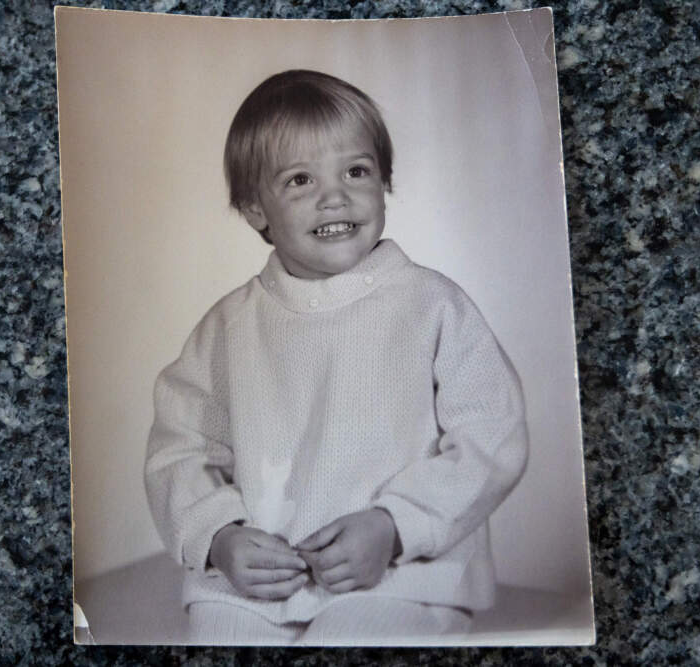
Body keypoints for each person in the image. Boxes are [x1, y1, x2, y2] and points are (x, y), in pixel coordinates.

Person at [144, 69, 529, 645]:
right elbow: (182, 447)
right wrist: (219, 535)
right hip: (260, 585)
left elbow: (491, 436)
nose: (335, 196)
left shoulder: (433, 305)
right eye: (300, 179)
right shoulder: (227, 327)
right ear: (255, 210)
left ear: (383, 183)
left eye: (356, 171)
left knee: (357, 636)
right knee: (217, 633)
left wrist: (396, 527)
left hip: (404, 576)